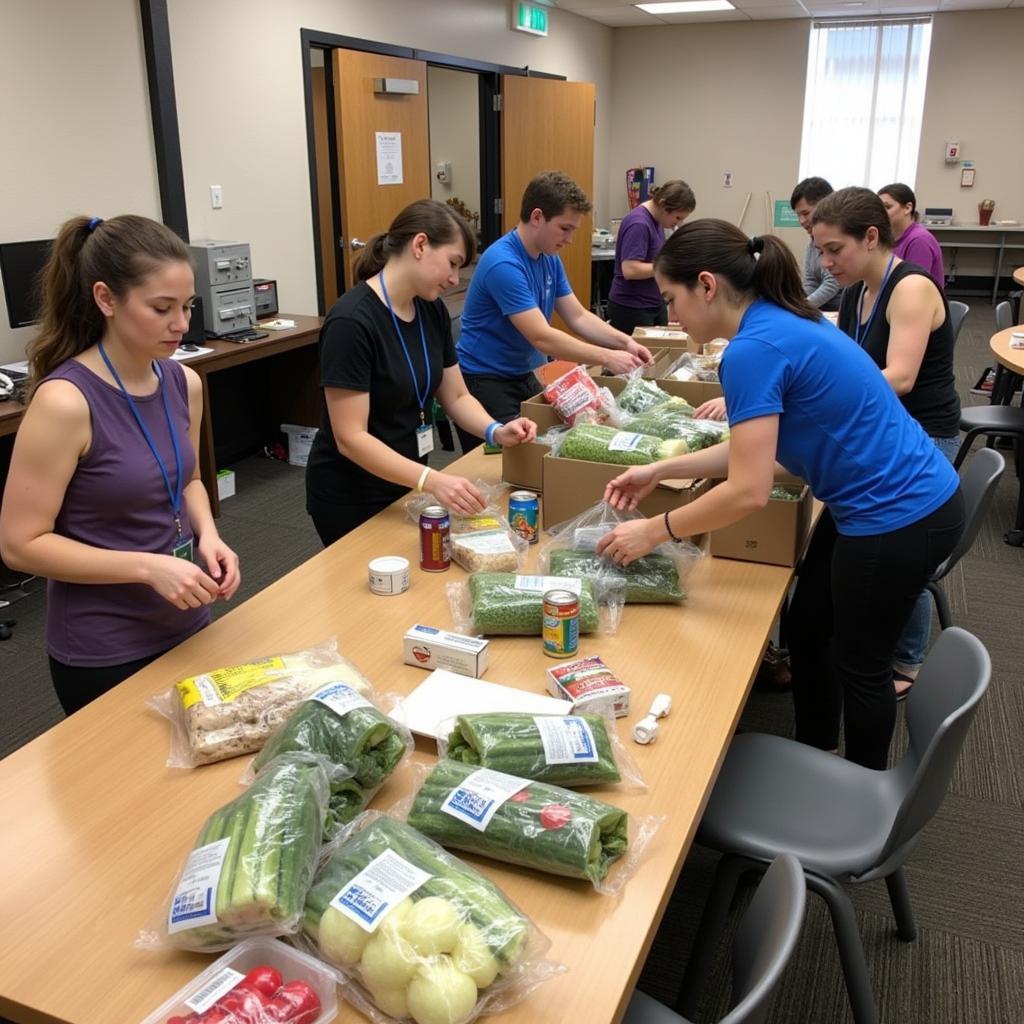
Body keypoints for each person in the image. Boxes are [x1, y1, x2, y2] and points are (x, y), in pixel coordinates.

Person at [595, 219, 964, 770]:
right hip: (888, 501)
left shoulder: (753, 350)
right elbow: (756, 451)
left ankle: (862, 795)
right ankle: (817, 747)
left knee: (860, 665)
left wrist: (654, 530)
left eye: (672, 299)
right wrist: (663, 468)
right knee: (810, 622)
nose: (672, 316)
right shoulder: (785, 320)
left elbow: (748, 490)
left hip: (898, 516)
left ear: (706, 285)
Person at [0, 215, 240, 716]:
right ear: (106, 299)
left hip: (186, 618)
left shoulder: (182, 383)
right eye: (161, 308)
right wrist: (148, 568)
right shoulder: (65, 403)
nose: (182, 324)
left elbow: (190, 479)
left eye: (187, 306)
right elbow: (20, 546)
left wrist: (209, 535)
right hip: (104, 647)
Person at [304, 199, 536, 546]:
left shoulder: (431, 311)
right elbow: (351, 438)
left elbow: (456, 395)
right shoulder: (351, 322)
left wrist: (496, 430)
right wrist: (432, 480)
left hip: (408, 481)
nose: (455, 279)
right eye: (453, 264)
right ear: (420, 245)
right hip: (352, 494)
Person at [812, 186, 960, 696]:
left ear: (872, 237)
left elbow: (898, 376)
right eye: (821, 252)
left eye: (835, 250)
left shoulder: (911, 288)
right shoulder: (857, 293)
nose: (827, 262)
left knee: (897, 539)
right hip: (886, 434)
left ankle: (907, 661)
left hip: (926, 435)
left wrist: (814, 396)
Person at [454, 170, 653, 450]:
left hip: (524, 372)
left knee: (545, 447)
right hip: (485, 379)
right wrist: (607, 357)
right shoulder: (503, 263)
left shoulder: (549, 258)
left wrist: (626, 342)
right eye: (565, 228)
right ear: (537, 217)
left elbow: (579, 316)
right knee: (504, 463)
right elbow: (541, 337)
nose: (570, 239)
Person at [606, 179, 696, 336]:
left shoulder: (657, 221)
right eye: (677, 218)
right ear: (663, 206)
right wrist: (667, 265)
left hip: (653, 303)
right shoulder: (639, 224)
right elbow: (630, 269)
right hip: (632, 307)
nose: (679, 224)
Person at [877, 183, 945, 290]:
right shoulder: (892, 238)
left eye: (887, 207)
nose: (881, 213)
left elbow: (915, 287)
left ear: (908, 208)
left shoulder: (919, 240)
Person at [790, 176, 842, 311]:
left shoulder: (839, 238)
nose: (801, 221)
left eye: (805, 213)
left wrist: (801, 308)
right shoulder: (812, 242)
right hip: (820, 309)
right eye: (798, 215)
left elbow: (832, 284)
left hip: (838, 310)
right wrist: (796, 303)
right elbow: (811, 281)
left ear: (825, 206)